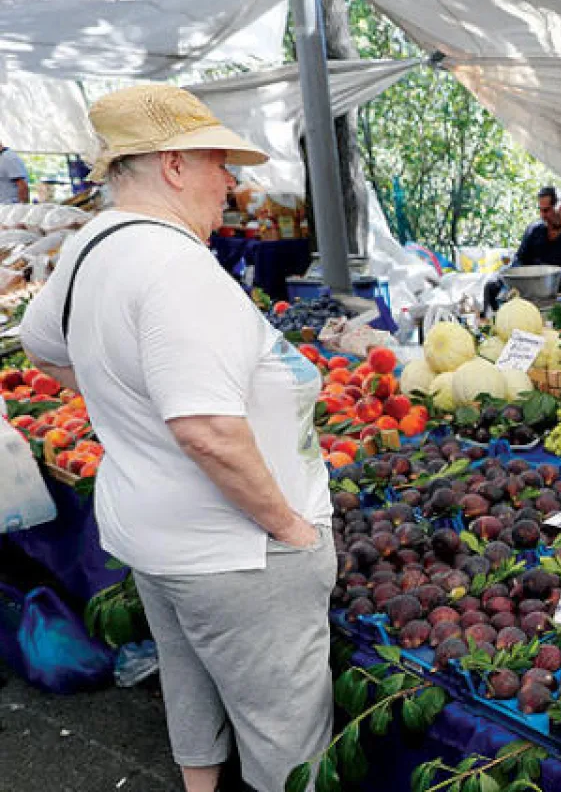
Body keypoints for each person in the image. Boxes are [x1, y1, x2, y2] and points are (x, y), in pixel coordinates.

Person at [19, 84, 333, 792]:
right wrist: (289, 527)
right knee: (287, 739)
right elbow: (208, 430)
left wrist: (122, 403)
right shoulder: (178, 271)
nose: (230, 180)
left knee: (191, 690)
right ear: (172, 163)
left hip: (158, 538)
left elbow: (42, 348)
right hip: (239, 553)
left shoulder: (89, 248)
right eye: (219, 161)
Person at [512, 185, 561, 293]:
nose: (542, 216)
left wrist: (549, 276)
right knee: (493, 283)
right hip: (529, 284)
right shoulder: (533, 230)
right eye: (540, 210)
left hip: (559, 285)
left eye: (546, 211)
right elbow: (519, 259)